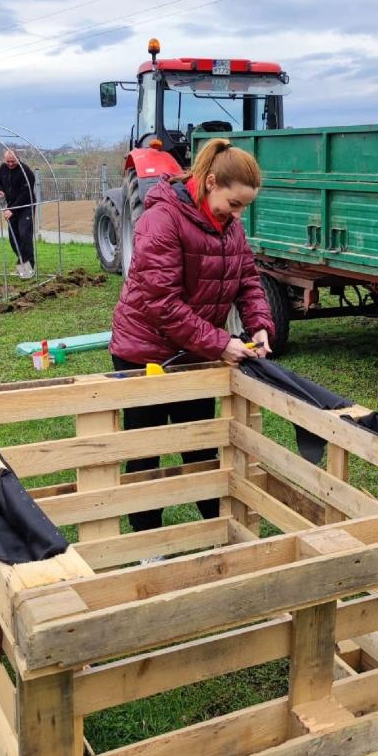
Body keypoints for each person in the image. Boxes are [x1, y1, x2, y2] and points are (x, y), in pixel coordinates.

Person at [110, 138, 274, 531]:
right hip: (145, 351)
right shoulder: (162, 219)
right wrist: (220, 342)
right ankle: (149, 542)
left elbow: (247, 280)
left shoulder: (229, 228)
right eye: (234, 204)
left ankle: (217, 530)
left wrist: (260, 325)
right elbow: (160, 302)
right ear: (212, 182)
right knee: (146, 450)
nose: (238, 214)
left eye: (243, 208)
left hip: (194, 350)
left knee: (201, 444)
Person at [0, 149, 36, 278]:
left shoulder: (26, 172)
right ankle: (22, 261)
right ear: (4, 159)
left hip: (25, 206)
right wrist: (1, 191)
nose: (10, 164)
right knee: (13, 238)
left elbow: (25, 194)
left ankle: (29, 267)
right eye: (8, 161)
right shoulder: (3, 168)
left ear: (18, 159)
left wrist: (12, 210)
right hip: (11, 207)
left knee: (24, 234)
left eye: (13, 161)